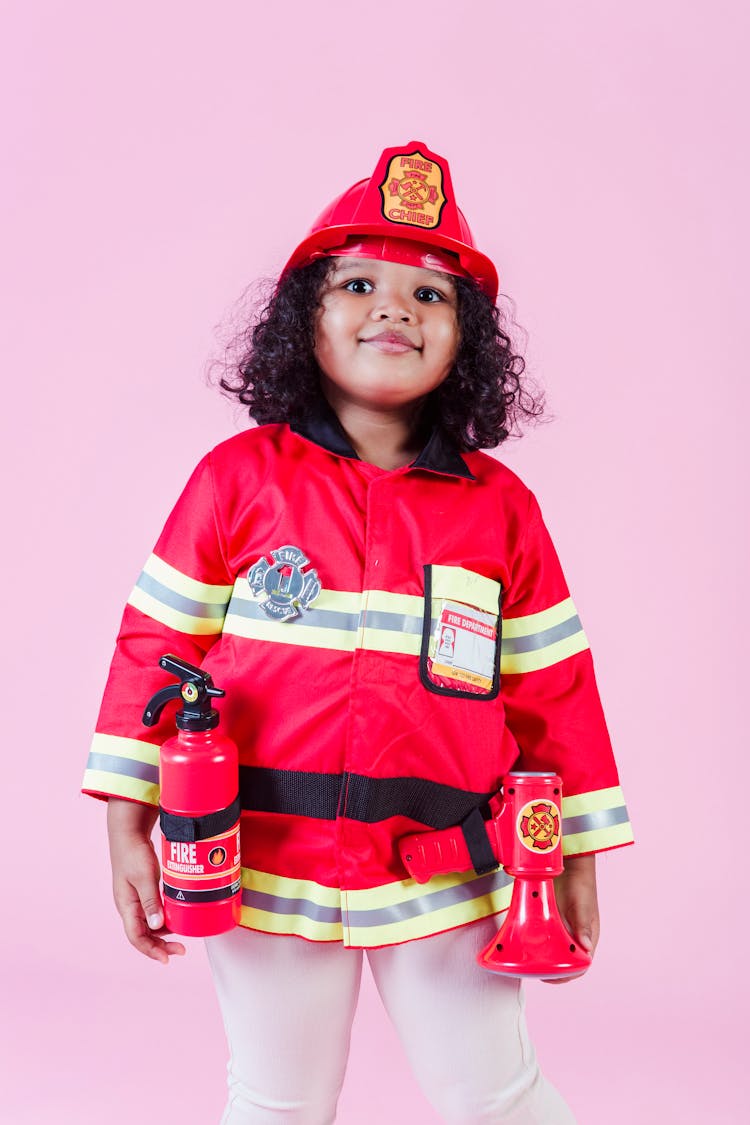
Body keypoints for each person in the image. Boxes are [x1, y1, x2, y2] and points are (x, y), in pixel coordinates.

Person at [83, 140, 633, 1124]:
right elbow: (150, 648)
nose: (394, 308)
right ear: (306, 321)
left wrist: (578, 856)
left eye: (431, 296)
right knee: (277, 1102)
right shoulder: (236, 481)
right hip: (259, 858)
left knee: (496, 1098)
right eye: (360, 285)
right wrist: (126, 813)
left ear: (468, 340)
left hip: (447, 867)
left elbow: (556, 693)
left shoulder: (502, 511)